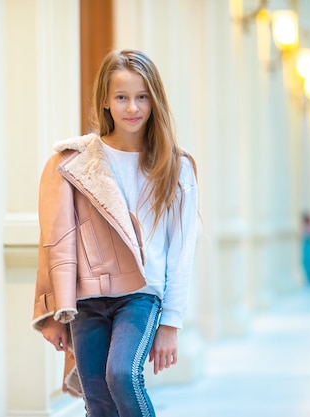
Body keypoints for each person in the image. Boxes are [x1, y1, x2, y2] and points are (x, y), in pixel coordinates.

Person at [31, 49, 199, 417]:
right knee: (97, 397)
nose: (132, 107)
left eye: (142, 97)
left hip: (142, 295)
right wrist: (54, 311)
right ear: (105, 101)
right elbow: (58, 240)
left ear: (155, 100)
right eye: (121, 97)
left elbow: (181, 249)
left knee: (122, 375)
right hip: (88, 296)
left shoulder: (176, 167)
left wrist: (171, 321)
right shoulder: (75, 163)